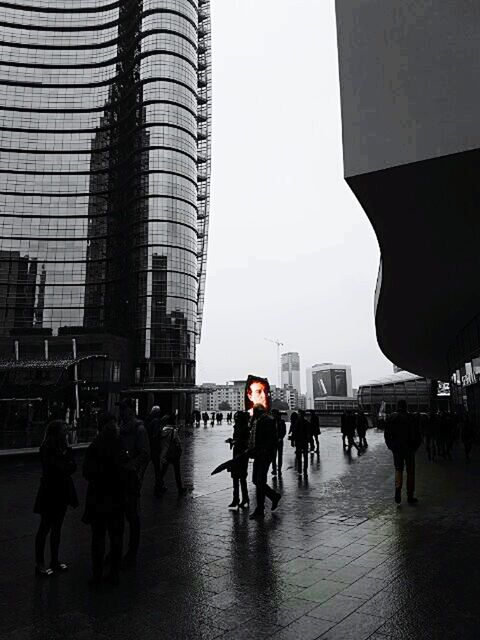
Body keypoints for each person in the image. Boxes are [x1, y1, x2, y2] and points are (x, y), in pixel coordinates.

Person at [82, 412, 128, 586]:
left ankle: (97, 574)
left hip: (99, 498)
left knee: (98, 537)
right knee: (117, 537)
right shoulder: (120, 443)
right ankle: (114, 573)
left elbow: (87, 472)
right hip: (117, 497)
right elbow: (126, 468)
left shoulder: (96, 445)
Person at [34, 419, 78, 576]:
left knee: (50, 527)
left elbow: (65, 468)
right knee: (49, 527)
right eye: (63, 430)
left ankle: (47, 561)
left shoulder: (52, 448)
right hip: (55, 491)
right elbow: (67, 468)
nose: (66, 433)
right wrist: (68, 460)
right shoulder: (53, 449)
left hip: (52, 491)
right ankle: (47, 561)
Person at [118, 398, 150, 564]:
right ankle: (119, 549)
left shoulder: (139, 429)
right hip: (120, 476)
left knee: (132, 515)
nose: (121, 412)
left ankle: (132, 551)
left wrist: (132, 467)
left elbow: (145, 453)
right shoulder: (120, 427)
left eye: (124, 408)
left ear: (131, 410)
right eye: (120, 409)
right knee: (121, 515)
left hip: (131, 478)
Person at [384, 399, 422, 504]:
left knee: (398, 469)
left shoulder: (392, 417)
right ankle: (410, 495)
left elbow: (387, 434)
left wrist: (391, 446)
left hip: (397, 449)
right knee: (410, 472)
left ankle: (397, 489)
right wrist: (415, 447)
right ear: (406, 406)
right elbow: (418, 434)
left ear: (397, 406)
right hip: (409, 449)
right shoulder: (412, 417)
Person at [248, 404, 281, 519]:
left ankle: (260, 509)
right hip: (259, 454)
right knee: (256, 481)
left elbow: (270, 440)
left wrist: (261, 451)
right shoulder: (258, 420)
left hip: (264, 455)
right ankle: (273, 497)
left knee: (259, 481)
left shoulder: (267, 421)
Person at [225, 411, 250, 508]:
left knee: (242, 477)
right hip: (236, 454)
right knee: (235, 477)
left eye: (237, 418)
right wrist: (232, 441)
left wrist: (234, 441)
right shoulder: (237, 427)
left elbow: (245, 441)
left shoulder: (245, 429)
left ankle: (244, 498)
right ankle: (236, 499)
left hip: (242, 454)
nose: (235, 419)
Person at [157, 415, 185, 493]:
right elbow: (178, 442)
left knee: (163, 471)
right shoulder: (173, 431)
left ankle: (158, 485)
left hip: (164, 454)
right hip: (173, 454)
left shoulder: (162, 430)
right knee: (177, 472)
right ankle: (180, 489)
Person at [145, 406, 169, 497]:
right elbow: (156, 434)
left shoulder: (148, 419)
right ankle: (159, 485)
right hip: (155, 447)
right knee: (158, 468)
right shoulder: (156, 421)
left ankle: (158, 484)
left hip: (148, 446)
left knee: (146, 466)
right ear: (157, 413)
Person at [291, 409, 311, 476]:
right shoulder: (307, 423)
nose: (298, 415)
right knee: (305, 457)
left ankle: (300, 470)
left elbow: (294, 432)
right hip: (304, 442)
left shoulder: (297, 423)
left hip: (299, 442)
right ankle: (305, 470)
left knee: (299, 457)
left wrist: (292, 441)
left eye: (299, 414)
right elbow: (309, 434)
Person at [271, 409, 287, 475]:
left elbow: (284, 431)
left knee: (280, 456)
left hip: (280, 441)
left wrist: (281, 438)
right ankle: (274, 470)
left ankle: (279, 469)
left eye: (274, 414)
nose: (273, 415)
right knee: (273, 456)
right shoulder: (271, 422)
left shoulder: (282, 422)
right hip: (273, 441)